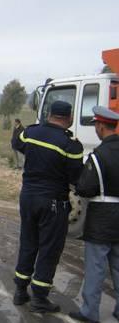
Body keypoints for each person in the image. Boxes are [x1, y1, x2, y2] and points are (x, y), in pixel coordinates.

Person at [12, 100, 84, 313]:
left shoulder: (31, 133)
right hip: (53, 202)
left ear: (50, 114)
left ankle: (20, 290)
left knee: (28, 241)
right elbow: (76, 177)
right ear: (68, 117)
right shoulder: (71, 145)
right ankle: (40, 298)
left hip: (28, 197)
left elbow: (17, 143)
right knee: (49, 249)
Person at [69, 106, 119, 323]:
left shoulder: (98, 155)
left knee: (96, 267)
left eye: (96, 126)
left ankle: (90, 312)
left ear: (100, 126)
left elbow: (85, 188)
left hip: (101, 215)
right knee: (118, 266)